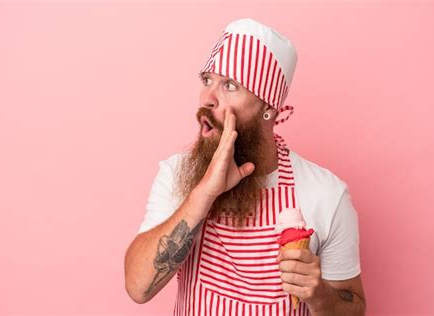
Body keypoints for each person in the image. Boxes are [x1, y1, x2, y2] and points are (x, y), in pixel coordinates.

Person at [125, 18, 366, 315]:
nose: (207, 98)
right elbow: (137, 287)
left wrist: (319, 296)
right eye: (207, 80)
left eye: (229, 85)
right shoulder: (177, 174)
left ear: (268, 108)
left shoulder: (326, 194)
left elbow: (354, 308)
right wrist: (203, 193)